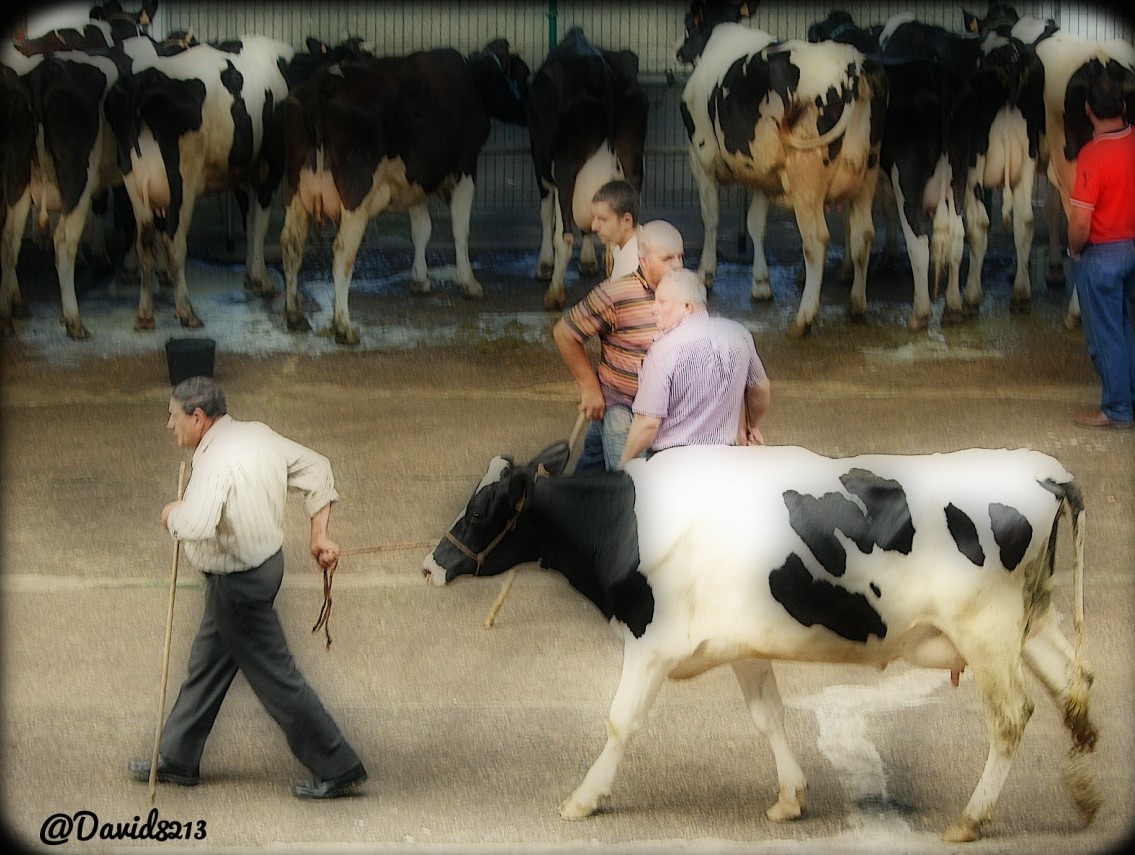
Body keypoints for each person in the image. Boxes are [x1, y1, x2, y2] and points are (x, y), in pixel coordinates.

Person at [129, 376, 367, 799]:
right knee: (207, 664)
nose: (170, 425)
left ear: (198, 418)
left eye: (173, 416)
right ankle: (178, 757)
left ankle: (338, 765)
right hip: (262, 570)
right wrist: (319, 535)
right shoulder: (258, 435)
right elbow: (317, 468)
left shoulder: (216, 461)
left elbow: (197, 524)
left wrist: (171, 514)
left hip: (237, 584)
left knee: (277, 677)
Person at [553, 220, 685, 471]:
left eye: (681, 257)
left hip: (663, 412)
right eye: (668, 259)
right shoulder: (615, 294)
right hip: (623, 410)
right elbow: (564, 333)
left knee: (590, 479)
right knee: (631, 490)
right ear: (644, 260)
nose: (678, 266)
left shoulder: (684, 293)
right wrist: (589, 388)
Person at [619, 268, 771, 467]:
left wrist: (623, 464)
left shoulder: (662, 351)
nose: (653, 308)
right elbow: (760, 388)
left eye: (662, 302)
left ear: (688, 307)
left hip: (673, 463)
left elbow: (648, 423)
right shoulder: (739, 334)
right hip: (726, 460)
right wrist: (753, 426)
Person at [1066, 72, 1135, 431]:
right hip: (1131, 249)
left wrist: (1074, 251)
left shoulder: (1092, 156)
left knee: (1104, 336)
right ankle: (1129, 397)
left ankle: (1117, 409)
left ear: (1089, 110)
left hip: (1103, 255)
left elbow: (1080, 222)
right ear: (1124, 107)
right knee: (1123, 327)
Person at [572, 180, 644, 471]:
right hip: (614, 384)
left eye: (603, 219)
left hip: (626, 395)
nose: (595, 226)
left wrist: (590, 387)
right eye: (594, 218)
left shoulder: (637, 261)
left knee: (625, 481)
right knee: (591, 462)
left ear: (626, 220)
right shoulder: (622, 248)